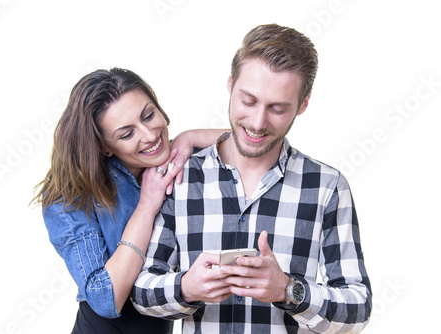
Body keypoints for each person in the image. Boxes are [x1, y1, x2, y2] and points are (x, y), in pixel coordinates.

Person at [132, 23, 372, 333]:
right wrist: (186, 287)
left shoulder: (326, 187)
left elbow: (357, 308)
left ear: (303, 104)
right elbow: (141, 291)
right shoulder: (183, 177)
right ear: (230, 84)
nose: (258, 123)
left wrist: (288, 290)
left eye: (277, 108)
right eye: (249, 101)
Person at [31, 68, 224, 334]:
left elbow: (260, 144)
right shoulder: (71, 195)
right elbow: (105, 299)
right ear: (103, 147)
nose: (149, 135)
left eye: (149, 115)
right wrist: (147, 204)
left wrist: (190, 137)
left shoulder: (177, 161)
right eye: (126, 134)